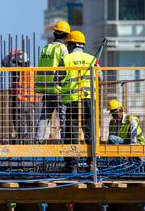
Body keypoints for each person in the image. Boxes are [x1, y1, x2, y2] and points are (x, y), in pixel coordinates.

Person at [57, 30, 99, 173]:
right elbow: (101, 77)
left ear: (71, 43)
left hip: (73, 100)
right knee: (89, 132)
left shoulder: (67, 59)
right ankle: (92, 163)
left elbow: (57, 78)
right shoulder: (92, 59)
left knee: (72, 133)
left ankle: (72, 165)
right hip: (89, 99)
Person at [34, 21, 70, 143]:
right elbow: (65, 68)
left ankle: (38, 140)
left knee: (44, 116)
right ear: (65, 36)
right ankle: (64, 141)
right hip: (59, 88)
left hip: (47, 88)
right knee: (64, 117)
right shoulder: (62, 48)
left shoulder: (46, 48)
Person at [2, 50, 40, 143]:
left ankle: (23, 144)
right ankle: (30, 144)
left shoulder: (17, 69)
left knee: (20, 125)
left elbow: (4, 62)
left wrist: (12, 53)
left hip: (20, 101)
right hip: (32, 101)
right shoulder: (33, 70)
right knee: (31, 125)